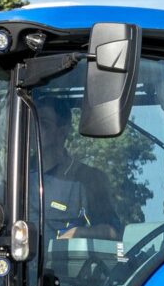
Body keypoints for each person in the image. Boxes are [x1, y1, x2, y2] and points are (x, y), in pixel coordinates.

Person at [32, 95, 124, 239]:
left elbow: (113, 232)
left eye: (43, 124)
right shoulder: (16, 178)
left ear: (62, 132)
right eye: (32, 123)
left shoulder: (88, 180)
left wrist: (80, 233)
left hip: (62, 261)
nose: (34, 129)